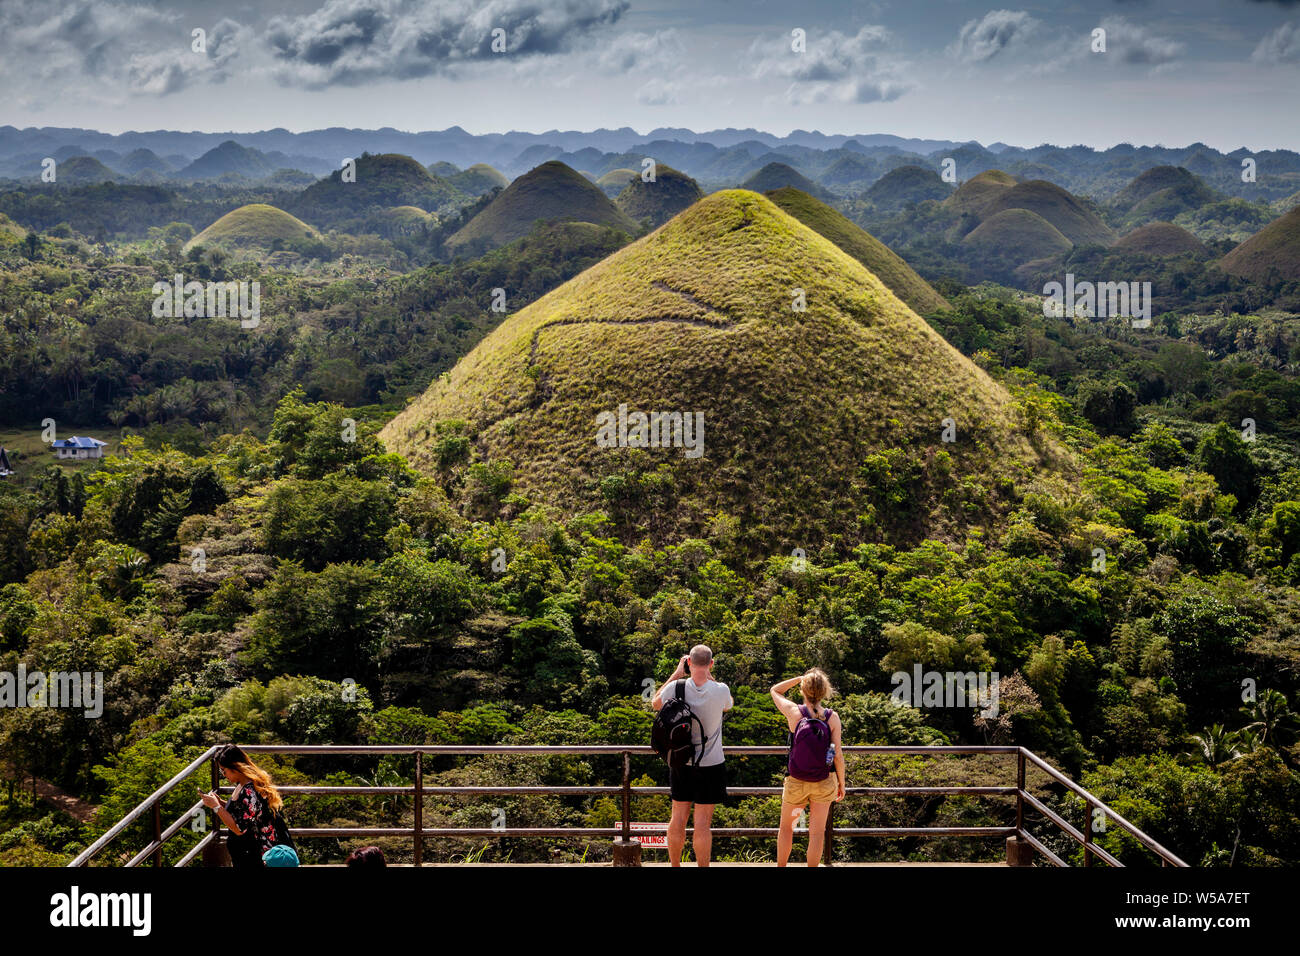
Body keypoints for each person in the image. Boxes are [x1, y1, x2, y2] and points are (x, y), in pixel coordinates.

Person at [652, 644, 733, 867]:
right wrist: (708, 674)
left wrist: (677, 673)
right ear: (711, 664)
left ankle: (675, 865)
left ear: (688, 663)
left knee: (677, 818)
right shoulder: (721, 690)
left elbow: (654, 702)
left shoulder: (675, 688)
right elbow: (727, 706)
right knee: (703, 824)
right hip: (711, 764)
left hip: (681, 762)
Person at [770, 669, 845, 867]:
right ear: (825, 691)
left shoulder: (794, 712)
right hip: (824, 780)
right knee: (817, 832)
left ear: (804, 690)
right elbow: (836, 754)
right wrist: (841, 783)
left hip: (796, 780)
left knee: (787, 828)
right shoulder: (832, 717)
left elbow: (775, 690)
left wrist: (799, 679)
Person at [200, 743, 297, 868]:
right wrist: (220, 803)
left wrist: (216, 807)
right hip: (253, 848)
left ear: (235, 768)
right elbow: (243, 812)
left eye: (224, 770)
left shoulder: (249, 791)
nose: (223, 775)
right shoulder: (245, 784)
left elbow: (239, 828)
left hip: (255, 851)